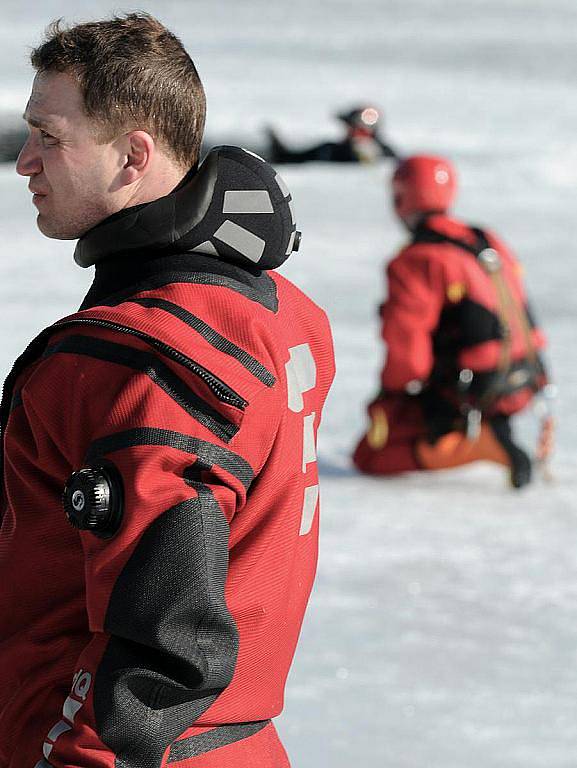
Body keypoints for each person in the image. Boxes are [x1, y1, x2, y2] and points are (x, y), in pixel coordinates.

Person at [0, 14, 334, 768]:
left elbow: (162, 652)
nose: (24, 162)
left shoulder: (137, 358)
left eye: (48, 137)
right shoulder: (281, 314)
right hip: (239, 743)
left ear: (132, 156)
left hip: (102, 748)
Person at [353, 154, 551, 488]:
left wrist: (391, 396)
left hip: (469, 390)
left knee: (370, 455)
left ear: (401, 196)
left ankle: (481, 444)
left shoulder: (417, 260)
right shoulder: (485, 239)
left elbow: (407, 349)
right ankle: (490, 431)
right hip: (522, 380)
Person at [267, 105, 398, 164]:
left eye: (354, 128)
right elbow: (290, 159)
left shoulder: (385, 154)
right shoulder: (329, 150)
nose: (350, 132)